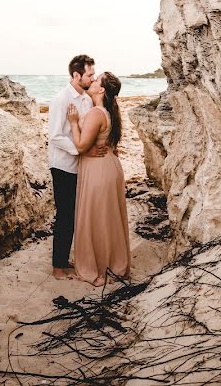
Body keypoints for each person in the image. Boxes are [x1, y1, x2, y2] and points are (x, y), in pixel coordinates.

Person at [67, 71, 131, 286]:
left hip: (99, 170)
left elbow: (81, 146)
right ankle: (112, 266)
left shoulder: (96, 112)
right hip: (109, 166)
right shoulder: (109, 111)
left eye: (96, 79)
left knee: (99, 218)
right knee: (108, 217)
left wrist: (74, 122)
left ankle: (101, 271)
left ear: (101, 89)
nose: (92, 81)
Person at [47, 54, 106, 279]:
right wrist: (81, 150)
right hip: (62, 165)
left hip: (80, 165)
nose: (92, 79)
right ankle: (58, 268)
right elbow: (55, 136)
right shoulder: (61, 99)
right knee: (65, 216)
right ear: (76, 75)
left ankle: (63, 259)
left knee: (75, 215)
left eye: (93, 75)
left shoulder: (87, 99)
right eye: (89, 75)